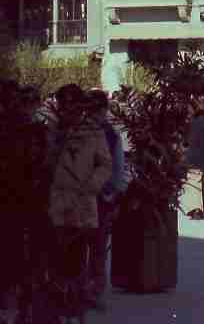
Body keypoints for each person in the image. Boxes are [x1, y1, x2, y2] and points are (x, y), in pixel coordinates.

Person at [48, 84, 112, 322]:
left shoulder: (94, 132)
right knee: (56, 257)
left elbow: (105, 164)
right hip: (55, 202)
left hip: (82, 203)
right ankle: (58, 302)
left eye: (72, 105)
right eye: (63, 105)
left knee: (78, 256)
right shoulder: (51, 130)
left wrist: (92, 185)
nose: (67, 110)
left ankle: (76, 304)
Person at [87, 89, 126, 311]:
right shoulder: (106, 132)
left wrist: (114, 191)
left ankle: (93, 290)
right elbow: (118, 167)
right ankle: (88, 289)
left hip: (100, 197)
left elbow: (118, 166)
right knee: (93, 247)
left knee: (96, 246)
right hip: (92, 196)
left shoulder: (109, 133)